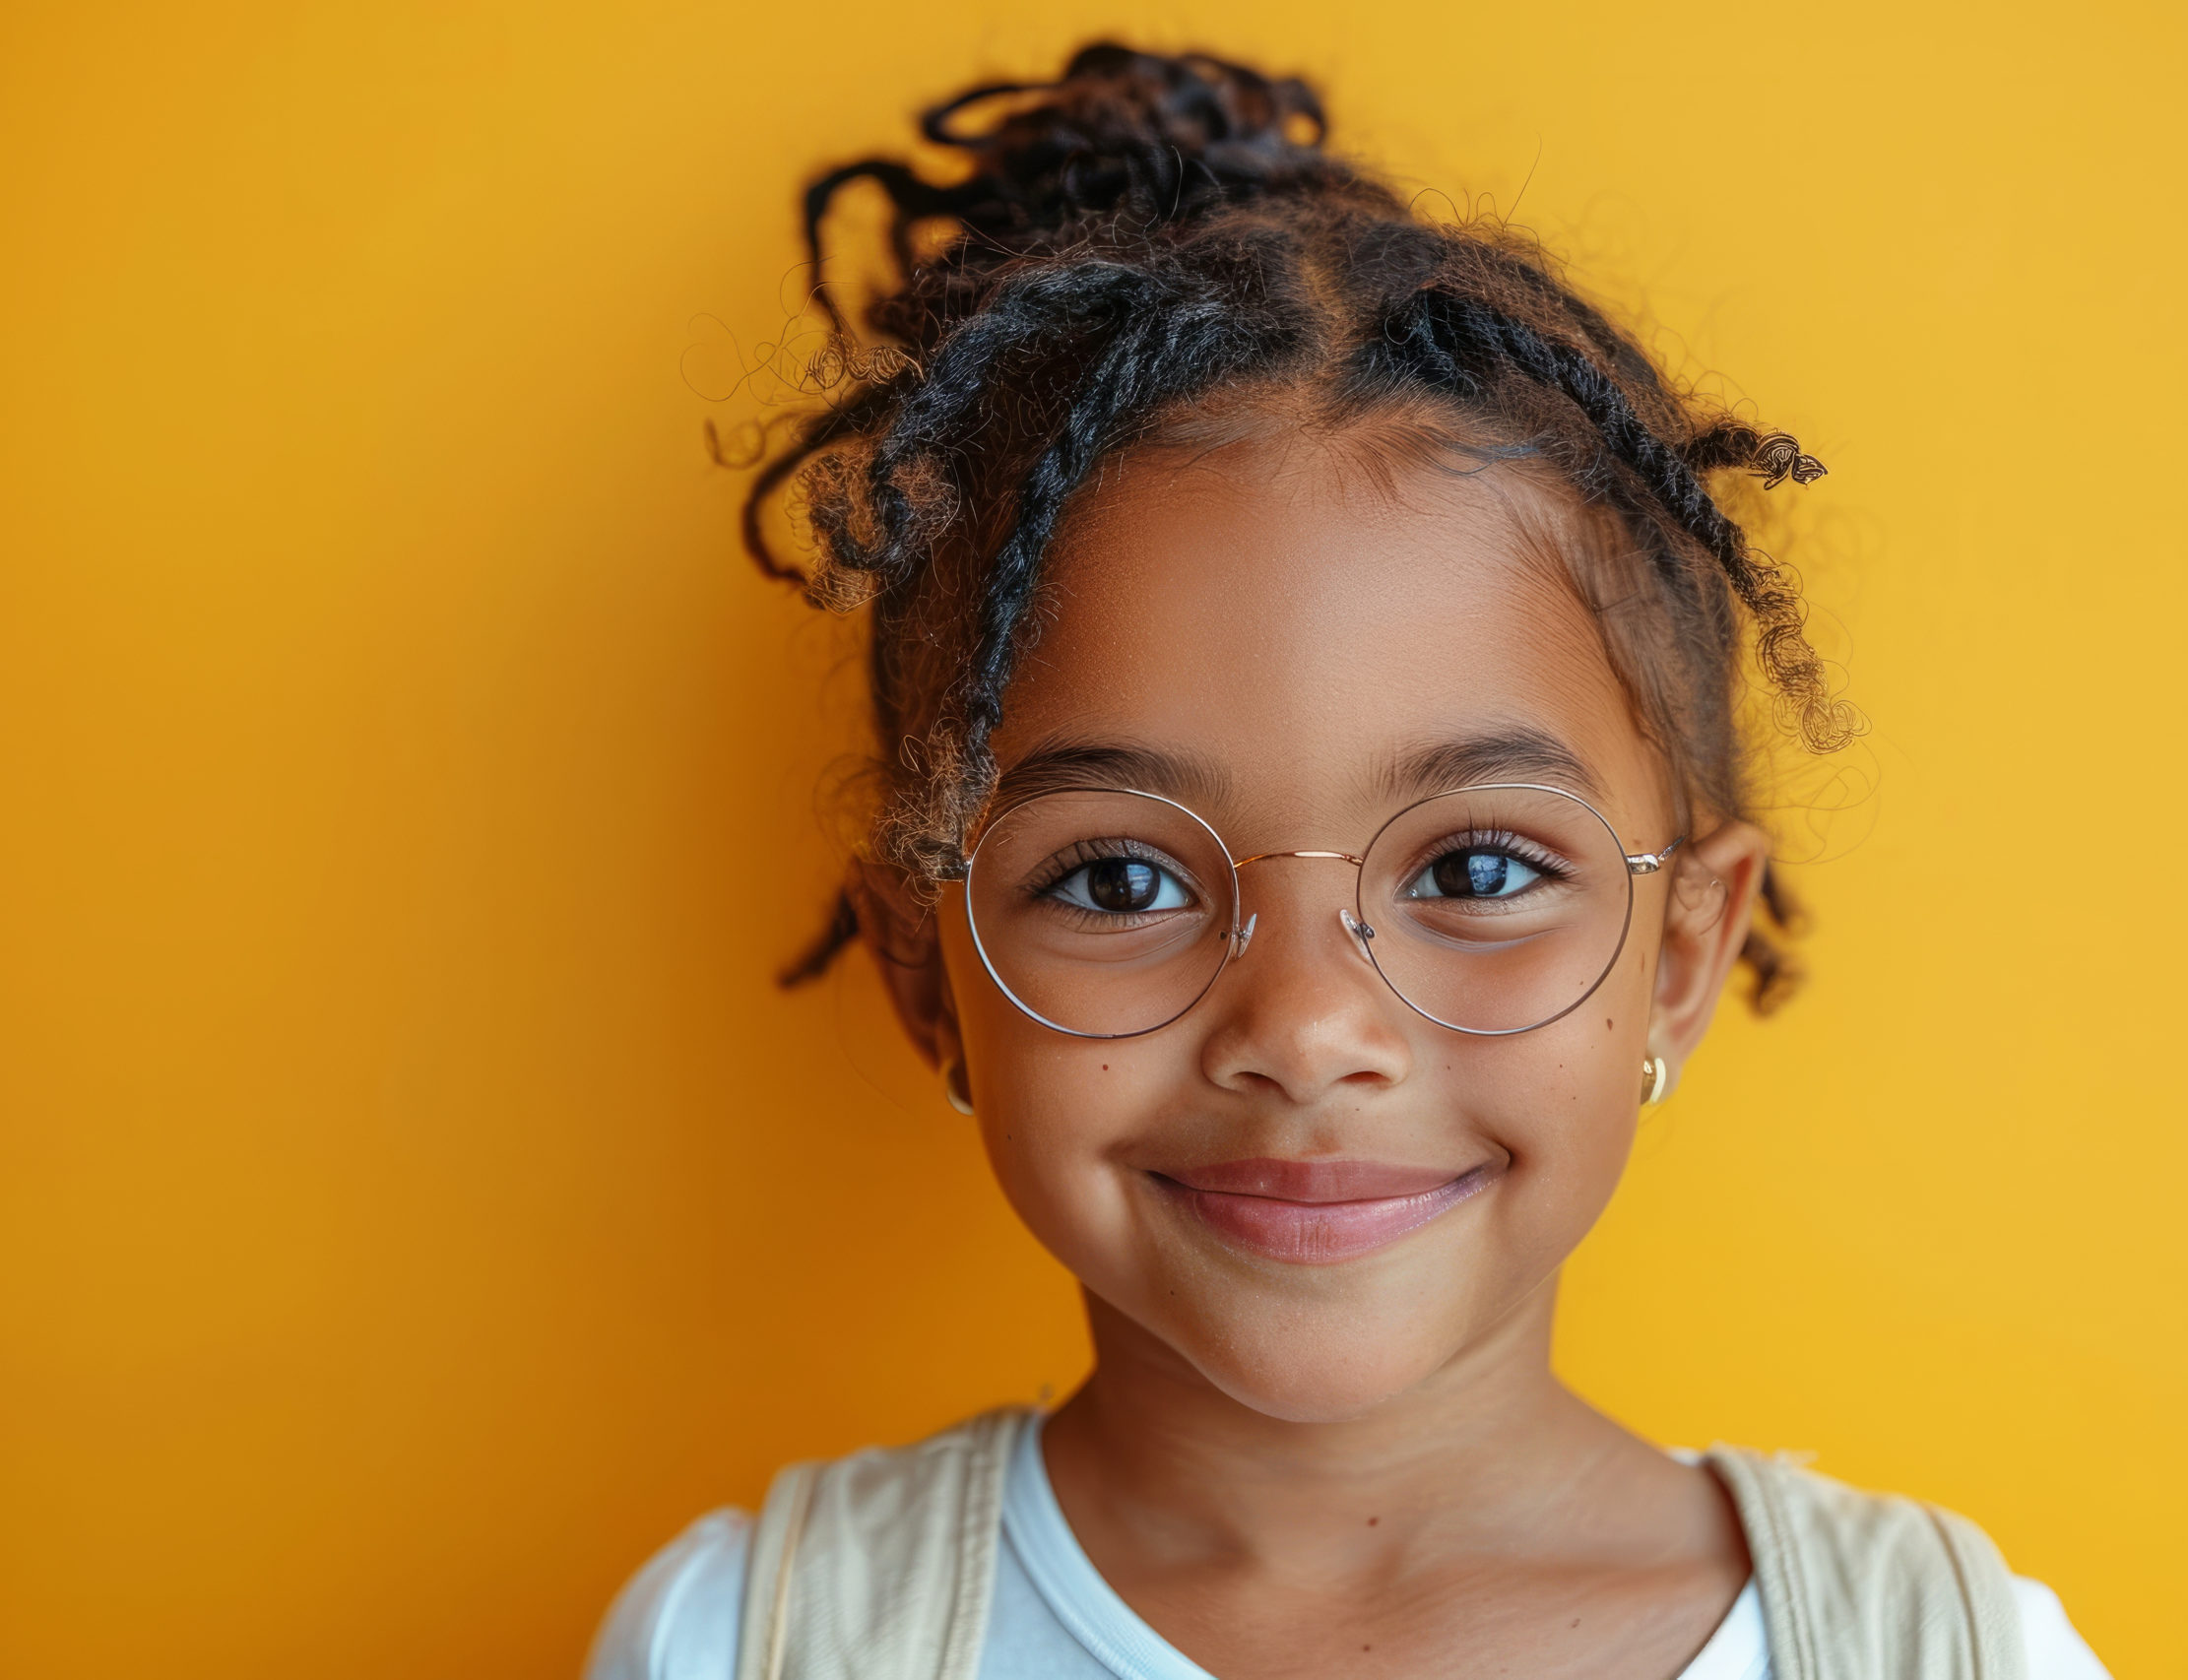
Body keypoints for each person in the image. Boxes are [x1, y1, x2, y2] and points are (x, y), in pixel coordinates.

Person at [590, 43, 2109, 1680]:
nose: (1309, 1024)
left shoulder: (1948, 1653)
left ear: (1681, 952)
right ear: (926, 972)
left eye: (1472, 868)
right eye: (1118, 879)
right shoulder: (750, 1643)